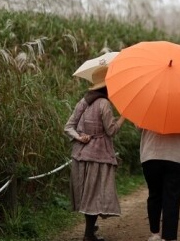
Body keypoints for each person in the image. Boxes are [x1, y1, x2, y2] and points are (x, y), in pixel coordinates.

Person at [64, 66, 125, 241]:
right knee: (94, 195)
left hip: (81, 154)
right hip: (99, 155)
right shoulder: (104, 103)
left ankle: (90, 231)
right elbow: (111, 131)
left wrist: (79, 137)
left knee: (88, 195)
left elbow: (68, 127)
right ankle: (88, 234)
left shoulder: (84, 102)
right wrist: (123, 117)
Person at [140, 127, 180, 241]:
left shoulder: (148, 108)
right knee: (172, 197)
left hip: (152, 154)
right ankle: (169, 236)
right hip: (176, 155)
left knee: (154, 194)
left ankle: (155, 234)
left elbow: (138, 127)